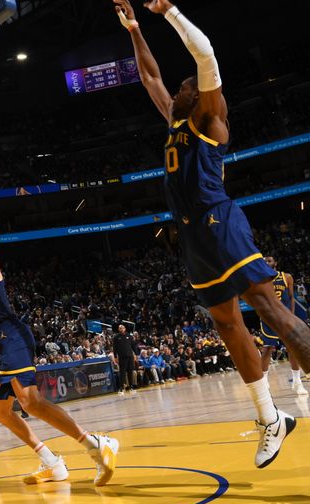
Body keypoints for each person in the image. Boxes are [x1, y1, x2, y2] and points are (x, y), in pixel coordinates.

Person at [114, 0, 310, 467]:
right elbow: (150, 78)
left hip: (218, 222)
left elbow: (205, 57)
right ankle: (270, 417)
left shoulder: (208, 118)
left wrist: (170, 13)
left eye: (189, 87)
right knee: (227, 324)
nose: (182, 88)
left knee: (273, 313)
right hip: (192, 236)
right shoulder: (174, 120)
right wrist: (135, 30)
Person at [0, 200, 118, 486]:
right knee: (1, 411)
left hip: (12, 333)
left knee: (29, 400)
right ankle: (52, 462)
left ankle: (95, 442)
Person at [258, 256, 308, 395]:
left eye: (269, 260)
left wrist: (291, 316)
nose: (266, 262)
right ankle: (264, 382)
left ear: (275, 263)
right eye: (264, 261)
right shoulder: (260, 278)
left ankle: (297, 383)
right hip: (268, 318)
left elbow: (292, 297)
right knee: (267, 349)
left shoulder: (286, 277)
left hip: (284, 317)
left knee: (292, 349)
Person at [113, 325, 137, 396]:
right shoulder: (116, 337)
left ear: (125, 328)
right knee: (122, 373)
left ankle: (131, 387)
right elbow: (115, 348)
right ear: (118, 329)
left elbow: (133, 346)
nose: (121, 329)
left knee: (130, 372)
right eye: (120, 328)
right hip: (122, 357)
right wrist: (115, 357)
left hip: (130, 356)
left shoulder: (129, 336)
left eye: (122, 328)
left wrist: (136, 354)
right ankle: (121, 389)